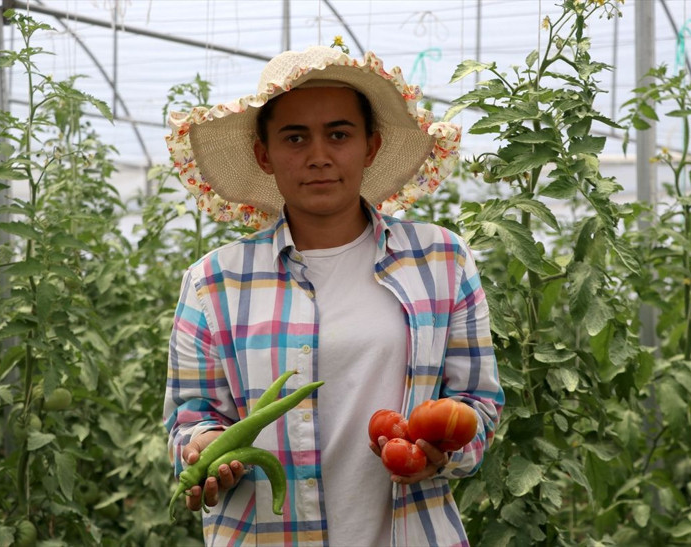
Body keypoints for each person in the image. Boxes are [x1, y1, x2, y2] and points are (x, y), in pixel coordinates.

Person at [163, 44, 504, 547]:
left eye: (339, 134)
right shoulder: (215, 282)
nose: (319, 156)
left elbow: (479, 403)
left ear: (370, 146)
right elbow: (189, 418)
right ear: (265, 154)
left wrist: (445, 448)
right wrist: (206, 449)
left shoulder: (442, 261)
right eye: (294, 137)